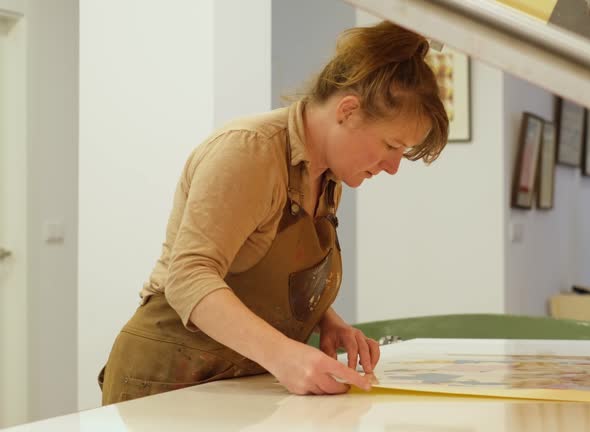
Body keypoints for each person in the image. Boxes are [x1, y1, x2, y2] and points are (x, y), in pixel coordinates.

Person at [99, 20, 448, 404]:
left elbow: (262, 273)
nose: (393, 166)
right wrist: (285, 356)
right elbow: (189, 277)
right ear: (348, 111)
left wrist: (326, 321)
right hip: (166, 381)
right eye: (391, 145)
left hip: (233, 383)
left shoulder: (327, 177)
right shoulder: (249, 151)